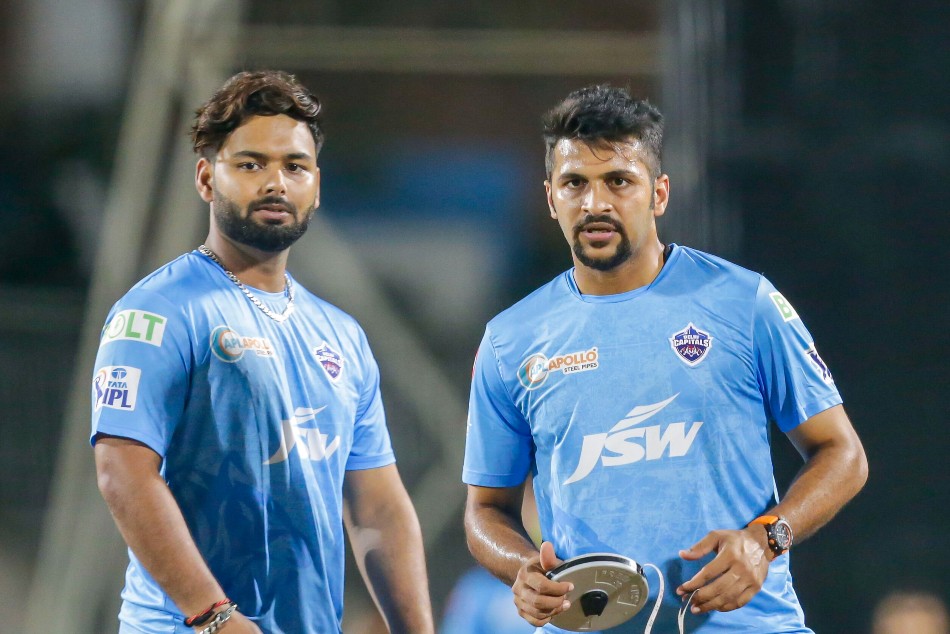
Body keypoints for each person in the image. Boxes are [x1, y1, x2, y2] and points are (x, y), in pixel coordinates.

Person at [462, 85, 868, 632]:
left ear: (659, 195)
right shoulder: (510, 341)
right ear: (551, 198)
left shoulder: (744, 303)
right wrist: (521, 569)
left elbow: (842, 453)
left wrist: (766, 539)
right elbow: (485, 509)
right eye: (574, 183)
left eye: (619, 182)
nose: (595, 204)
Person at [91, 70, 434, 634]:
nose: (276, 182)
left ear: (316, 186)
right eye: (251, 164)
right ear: (206, 179)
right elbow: (122, 473)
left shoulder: (343, 334)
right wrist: (215, 618)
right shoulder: (156, 312)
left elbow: (377, 507)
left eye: (294, 166)